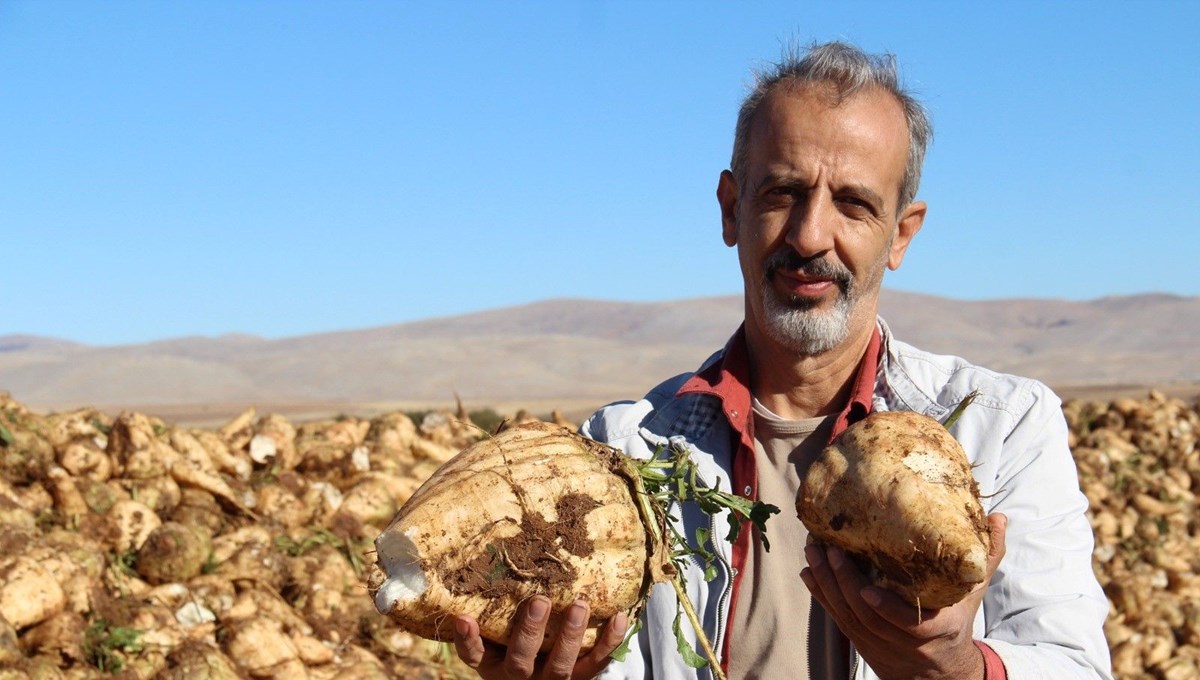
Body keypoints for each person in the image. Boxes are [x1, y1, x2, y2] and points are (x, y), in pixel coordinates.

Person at [451, 41, 1112, 680]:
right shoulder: (622, 454)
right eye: (783, 193)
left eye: (853, 204)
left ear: (900, 234)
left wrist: (958, 671)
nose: (809, 236)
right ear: (731, 209)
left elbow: (1074, 663)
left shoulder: (1004, 428)